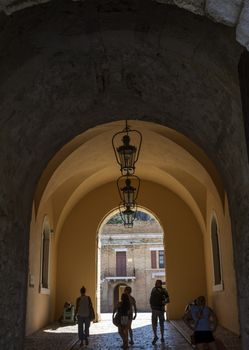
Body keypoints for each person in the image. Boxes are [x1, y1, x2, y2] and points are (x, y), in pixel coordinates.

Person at [150, 279, 169, 345]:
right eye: (156, 283)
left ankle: (162, 337)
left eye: (157, 283)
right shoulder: (153, 289)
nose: (156, 284)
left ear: (160, 284)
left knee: (161, 324)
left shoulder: (164, 290)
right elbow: (151, 298)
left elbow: (168, 299)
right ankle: (155, 336)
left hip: (161, 310)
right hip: (154, 310)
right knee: (154, 324)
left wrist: (164, 302)